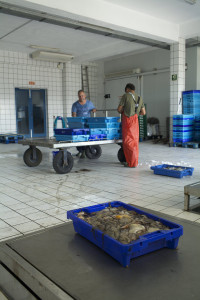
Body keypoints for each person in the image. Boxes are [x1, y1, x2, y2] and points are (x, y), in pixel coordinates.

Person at [117, 83, 146, 168]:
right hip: (135, 121)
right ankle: (134, 162)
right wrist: (136, 114)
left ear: (127, 89)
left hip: (128, 121)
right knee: (134, 141)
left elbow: (119, 110)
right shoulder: (140, 98)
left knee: (128, 142)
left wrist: (123, 110)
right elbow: (143, 112)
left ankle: (131, 163)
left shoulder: (125, 96)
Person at [72, 90, 96, 158]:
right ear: (78, 96)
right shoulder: (75, 104)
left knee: (86, 138)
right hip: (79, 124)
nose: (81, 97)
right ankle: (80, 151)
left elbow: (93, 108)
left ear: (85, 96)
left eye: (82, 95)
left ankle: (85, 151)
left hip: (87, 124)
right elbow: (74, 113)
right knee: (78, 138)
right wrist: (74, 120)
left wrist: (94, 109)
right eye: (79, 96)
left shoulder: (89, 103)